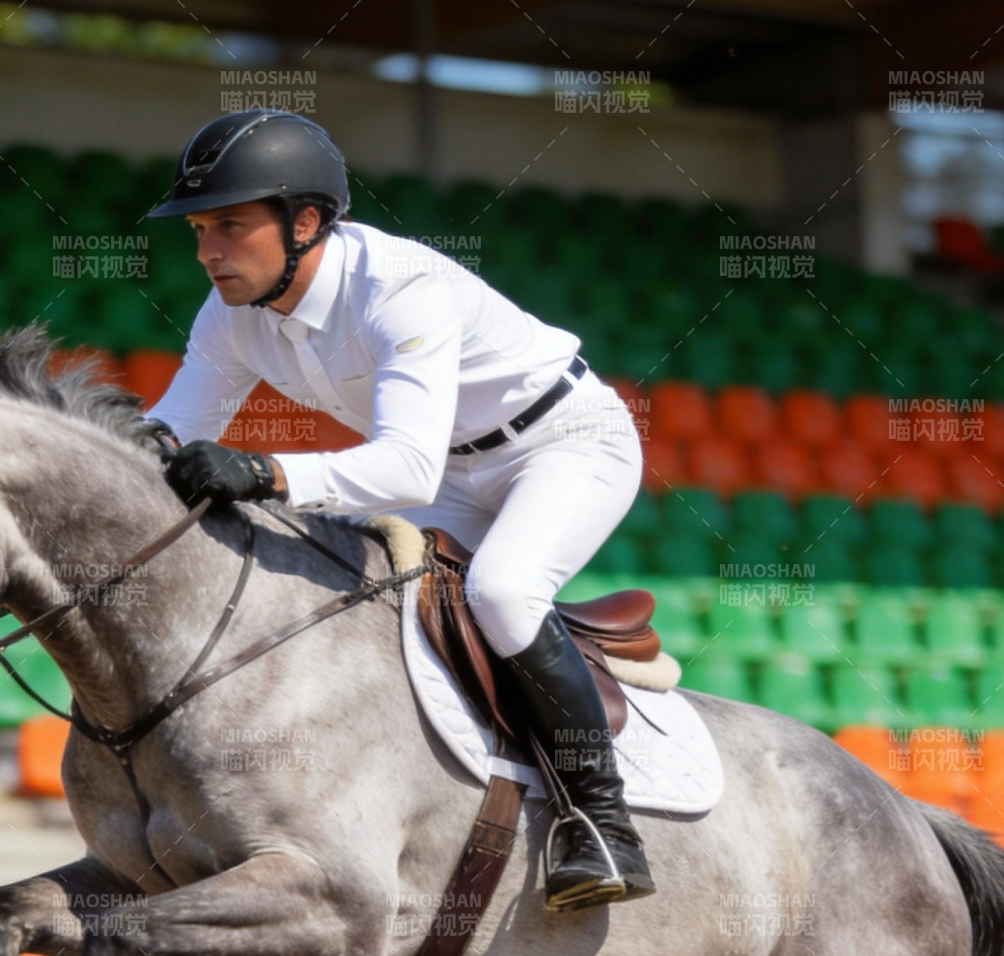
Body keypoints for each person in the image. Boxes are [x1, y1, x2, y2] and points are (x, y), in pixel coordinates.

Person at [145, 108, 652, 910]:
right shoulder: (231, 315)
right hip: (455, 464)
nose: (208, 250)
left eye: (230, 226)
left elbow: (407, 466)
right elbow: (171, 433)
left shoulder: (400, 288)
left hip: (562, 443)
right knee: (350, 596)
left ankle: (602, 823)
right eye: (200, 229)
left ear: (305, 222)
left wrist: (266, 470)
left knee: (503, 591)